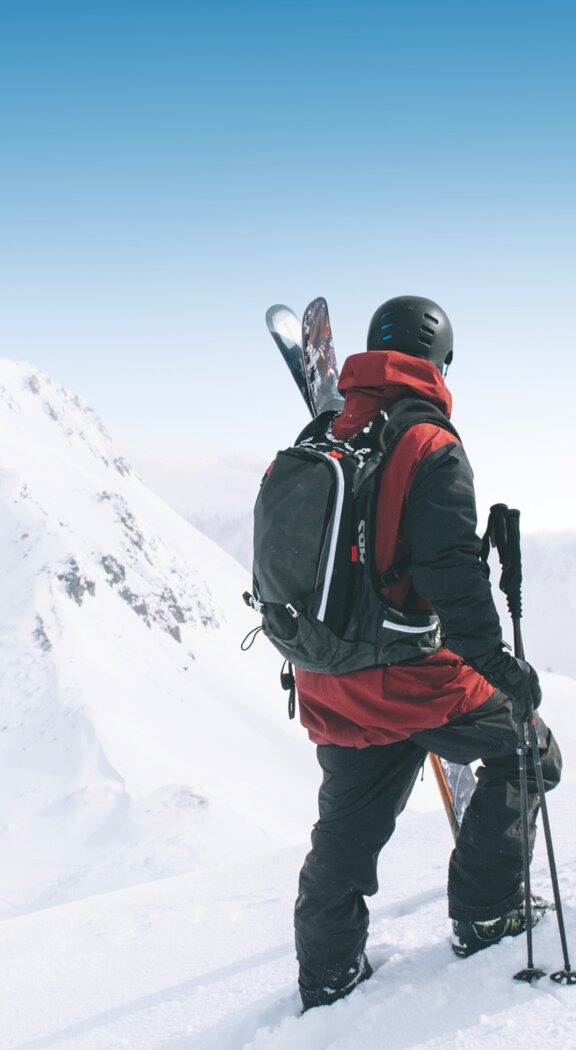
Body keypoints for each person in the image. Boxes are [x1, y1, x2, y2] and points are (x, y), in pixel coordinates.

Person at [294, 295, 562, 1012]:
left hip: (324, 677)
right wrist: (505, 673)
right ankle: (487, 911)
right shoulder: (429, 444)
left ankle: (326, 976)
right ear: (439, 359)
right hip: (410, 674)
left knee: (345, 829)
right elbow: (456, 585)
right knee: (529, 749)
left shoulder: (324, 432)